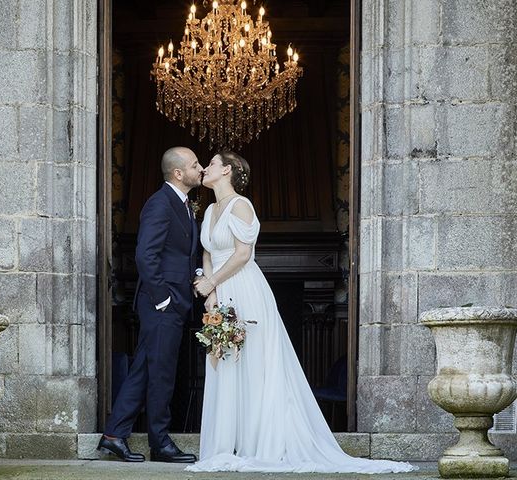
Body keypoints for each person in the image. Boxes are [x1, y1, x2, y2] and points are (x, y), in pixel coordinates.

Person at [188, 151, 416, 473]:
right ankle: (223, 445)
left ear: (227, 170)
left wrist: (213, 281)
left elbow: (242, 255)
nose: (206, 168)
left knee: (252, 364)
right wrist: (210, 293)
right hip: (220, 291)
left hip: (245, 289)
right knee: (223, 361)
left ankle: (260, 443)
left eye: (211, 163)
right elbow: (208, 253)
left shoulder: (241, 205)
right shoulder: (210, 210)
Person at [97, 147, 203, 463]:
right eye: (195, 164)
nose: (200, 168)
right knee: (162, 373)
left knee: (145, 369)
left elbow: (179, 253)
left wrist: (196, 273)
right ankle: (160, 442)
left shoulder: (183, 205)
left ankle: (114, 435)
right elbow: (146, 255)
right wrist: (163, 299)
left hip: (173, 300)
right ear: (178, 173)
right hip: (162, 302)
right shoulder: (160, 203)